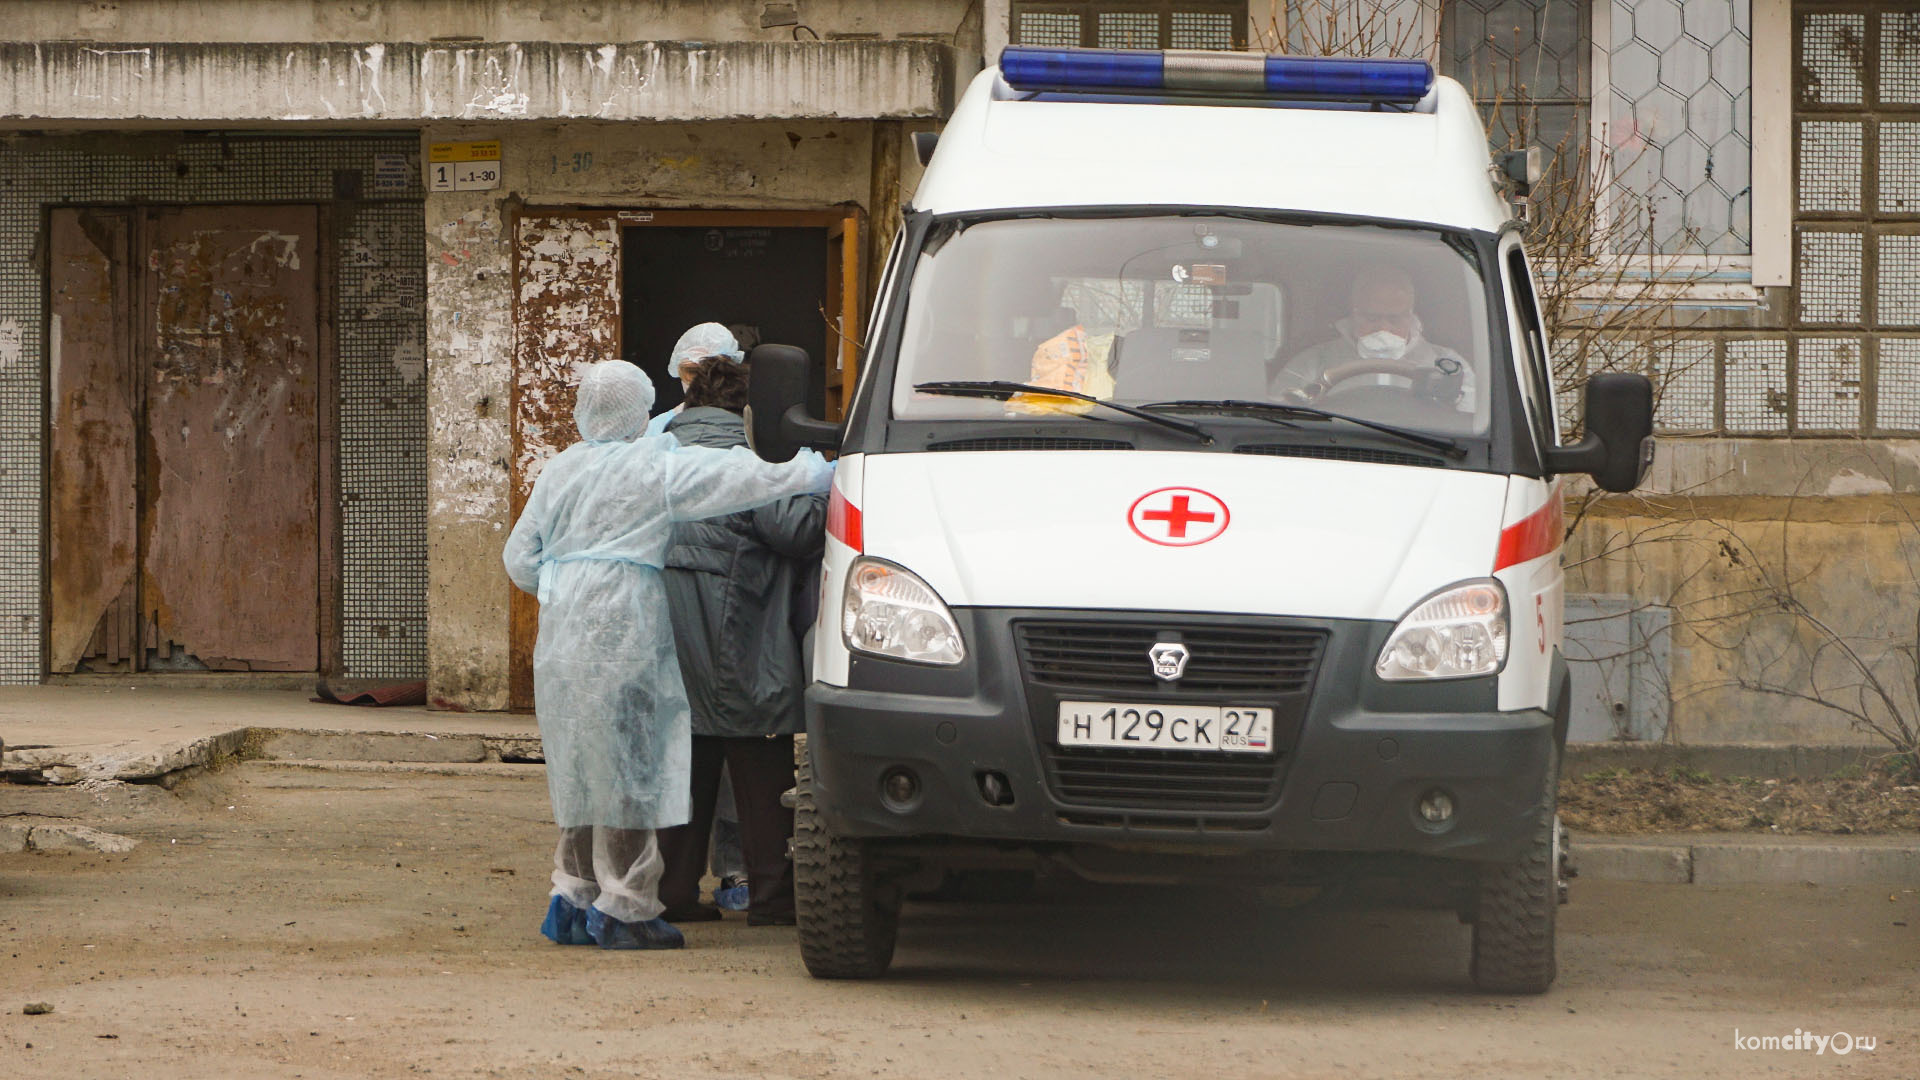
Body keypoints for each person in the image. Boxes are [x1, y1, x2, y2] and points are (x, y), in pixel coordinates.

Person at [502, 359, 833, 950]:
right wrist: (819, 469)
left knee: (580, 763)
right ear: (640, 410)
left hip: (562, 632)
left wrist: (568, 582)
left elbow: (520, 558)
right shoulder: (653, 465)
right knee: (631, 763)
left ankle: (572, 897)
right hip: (625, 623)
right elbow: (747, 481)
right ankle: (625, 908)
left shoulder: (560, 468)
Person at [655, 358, 828, 927]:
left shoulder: (654, 463)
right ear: (742, 414)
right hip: (742, 651)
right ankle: (772, 899)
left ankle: (674, 893)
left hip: (668, 657)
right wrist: (818, 487)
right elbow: (796, 532)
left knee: (684, 776)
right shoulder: (744, 467)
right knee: (761, 779)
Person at [1270, 265, 1474, 409]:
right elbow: (1279, 411)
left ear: (1410, 316)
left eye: (1394, 320)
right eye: (1372, 318)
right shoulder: (1313, 362)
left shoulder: (1448, 365)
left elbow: (1468, 416)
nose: (1383, 328)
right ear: (1354, 313)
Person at [644, 322, 747, 437]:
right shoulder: (659, 428)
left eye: (711, 371)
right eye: (691, 372)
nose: (700, 381)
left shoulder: (753, 423)